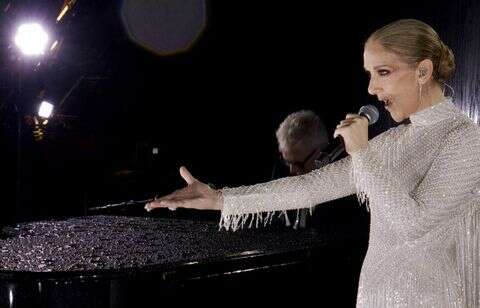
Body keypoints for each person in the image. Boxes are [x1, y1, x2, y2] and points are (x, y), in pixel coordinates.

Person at [145, 19, 480, 307]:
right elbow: (309, 187)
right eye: (369, 74)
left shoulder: (465, 139)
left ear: (423, 70)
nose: (372, 87)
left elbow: (415, 225)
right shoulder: (393, 142)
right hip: (375, 297)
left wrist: (362, 153)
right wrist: (220, 199)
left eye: (383, 72)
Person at [272, 110, 329, 228]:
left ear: (320, 155)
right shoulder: (280, 171)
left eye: (299, 163)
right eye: (287, 161)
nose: (292, 171)